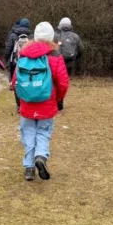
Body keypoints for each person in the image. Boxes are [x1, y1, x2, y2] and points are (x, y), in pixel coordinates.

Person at [11, 22, 69, 182]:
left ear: (35, 37)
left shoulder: (24, 54)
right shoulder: (55, 56)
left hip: (27, 103)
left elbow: (15, 80)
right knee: (43, 132)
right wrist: (58, 99)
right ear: (52, 38)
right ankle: (41, 157)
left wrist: (20, 98)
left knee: (28, 133)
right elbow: (63, 82)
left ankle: (29, 168)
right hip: (47, 103)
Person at [5, 18, 33, 90]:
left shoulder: (13, 35)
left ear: (20, 25)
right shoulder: (31, 36)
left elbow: (8, 49)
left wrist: (7, 60)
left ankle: (13, 85)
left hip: (15, 61)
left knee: (13, 74)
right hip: (28, 61)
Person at [9, 34, 32, 111]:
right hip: (29, 63)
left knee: (17, 83)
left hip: (20, 62)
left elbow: (14, 52)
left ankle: (19, 105)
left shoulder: (17, 42)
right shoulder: (29, 42)